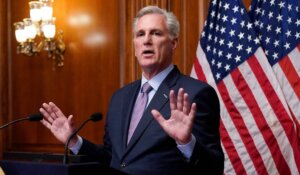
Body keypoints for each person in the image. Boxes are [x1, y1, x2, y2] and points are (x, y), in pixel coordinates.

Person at [40, 5, 224, 175]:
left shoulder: (195, 93)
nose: (146, 40)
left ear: (173, 43)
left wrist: (186, 143)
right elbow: (113, 159)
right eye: (140, 34)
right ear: (135, 47)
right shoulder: (120, 97)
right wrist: (74, 142)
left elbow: (214, 168)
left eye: (156, 33)